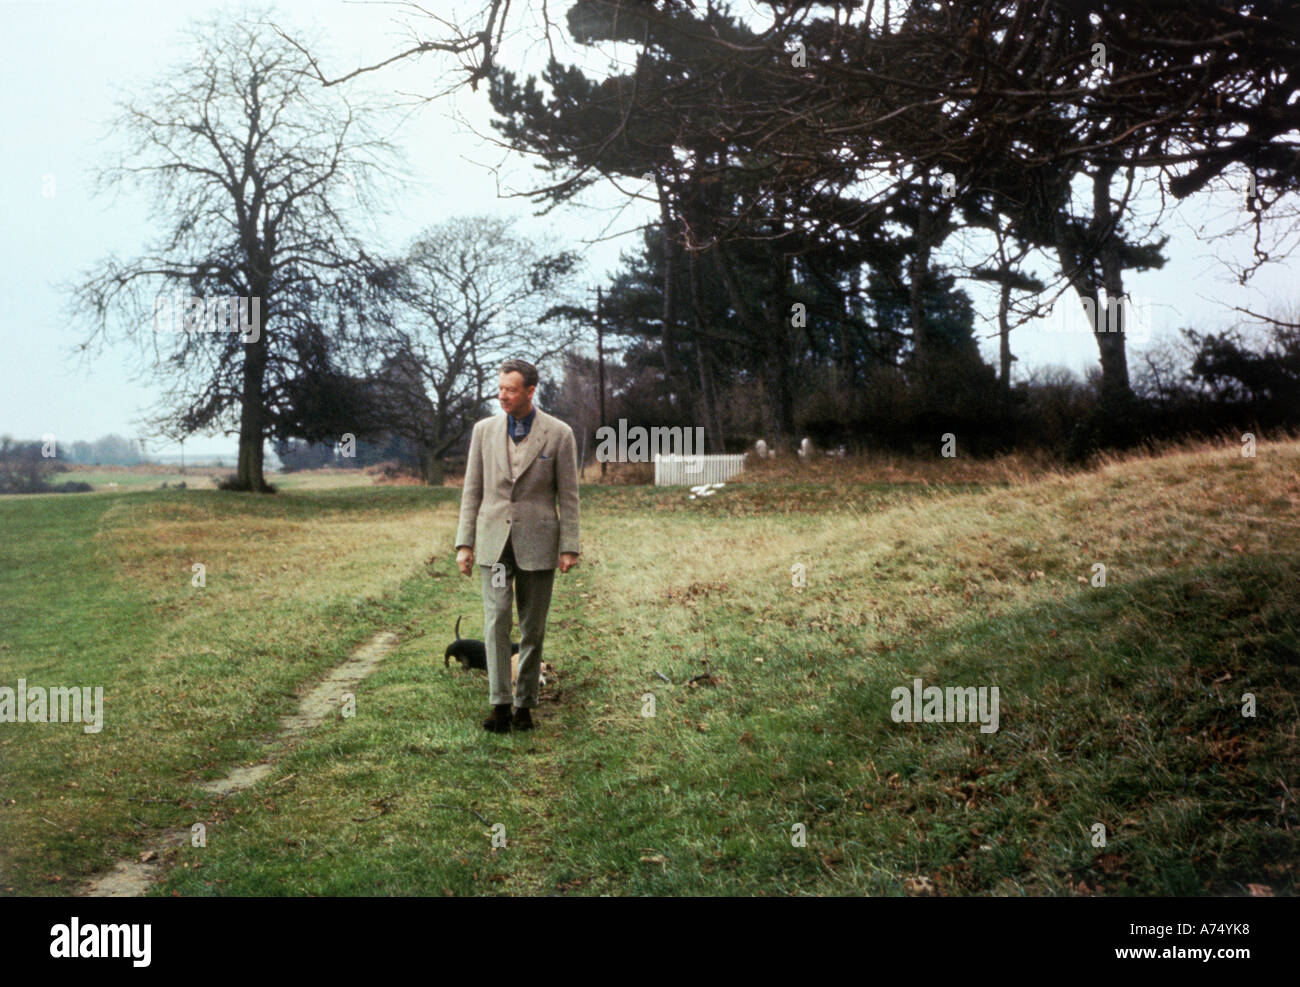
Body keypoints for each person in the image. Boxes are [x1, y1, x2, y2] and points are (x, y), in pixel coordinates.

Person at [454, 359, 581, 732]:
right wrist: (465, 542)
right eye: (500, 388)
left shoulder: (559, 434)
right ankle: (499, 704)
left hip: (538, 546)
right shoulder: (484, 432)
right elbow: (471, 490)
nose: (502, 395)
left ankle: (525, 704)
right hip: (494, 546)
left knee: (532, 627)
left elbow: (569, 496)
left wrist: (569, 545)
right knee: (496, 620)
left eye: (510, 389)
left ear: (530, 391)